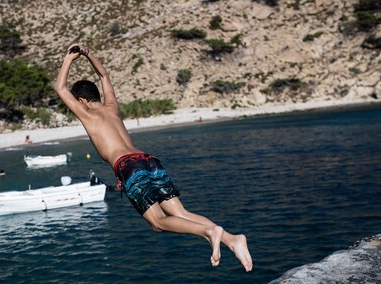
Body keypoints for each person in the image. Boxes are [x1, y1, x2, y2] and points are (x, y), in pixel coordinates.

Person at [54, 44, 252, 270]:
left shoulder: (87, 114)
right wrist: (87, 54)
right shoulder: (112, 107)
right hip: (148, 160)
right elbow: (104, 75)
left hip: (129, 167)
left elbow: (60, 88)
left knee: (158, 223)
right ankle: (232, 239)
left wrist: (69, 59)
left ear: (81, 101)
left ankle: (210, 231)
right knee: (181, 213)